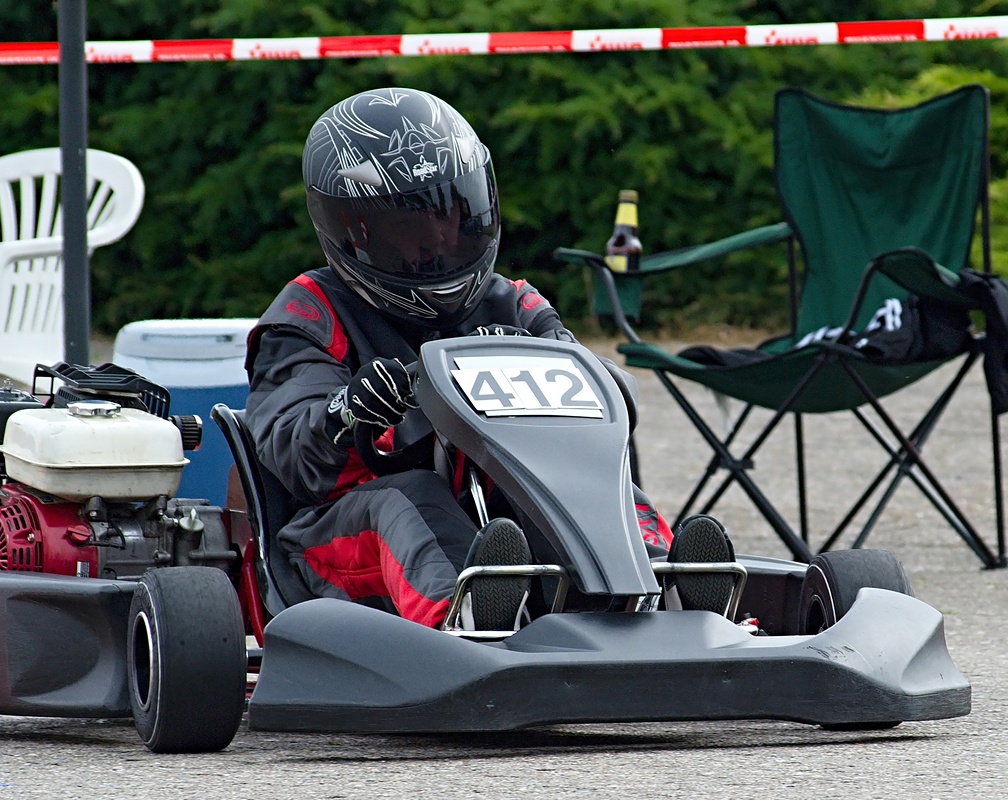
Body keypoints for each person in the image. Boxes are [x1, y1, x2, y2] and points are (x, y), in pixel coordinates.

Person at [245, 87, 731, 632]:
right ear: (356, 230)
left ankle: (664, 592)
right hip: (338, 536)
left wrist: (607, 387)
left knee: (572, 484)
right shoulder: (310, 312)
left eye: (448, 214)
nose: (436, 238)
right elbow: (291, 454)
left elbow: (592, 393)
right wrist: (348, 410)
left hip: (493, 524)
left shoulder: (513, 303)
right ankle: (466, 617)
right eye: (410, 223)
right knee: (412, 499)